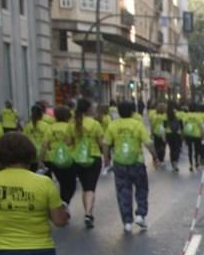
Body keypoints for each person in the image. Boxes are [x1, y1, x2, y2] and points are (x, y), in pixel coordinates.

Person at [102, 101, 158, 233]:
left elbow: (105, 143)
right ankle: (140, 214)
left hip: (120, 162)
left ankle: (127, 221)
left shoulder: (113, 125)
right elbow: (148, 142)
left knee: (123, 191)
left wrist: (106, 159)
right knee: (142, 189)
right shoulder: (137, 125)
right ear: (133, 112)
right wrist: (155, 156)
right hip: (137, 162)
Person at [70, 98, 105, 228]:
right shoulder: (95, 124)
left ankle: (87, 211)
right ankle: (88, 213)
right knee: (90, 188)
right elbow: (101, 142)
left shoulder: (72, 123)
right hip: (93, 157)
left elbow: (68, 141)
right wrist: (106, 155)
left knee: (85, 187)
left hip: (77, 159)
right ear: (89, 109)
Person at [44, 106, 78, 209]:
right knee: (71, 184)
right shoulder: (71, 127)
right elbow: (72, 142)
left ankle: (62, 201)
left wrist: (42, 158)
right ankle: (65, 201)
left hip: (53, 159)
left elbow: (45, 144)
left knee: (62, 181)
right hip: (70, 159)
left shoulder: (50, 128)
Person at [22, 104, 50, 171]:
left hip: (31, 155)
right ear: (41, 114)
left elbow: (24, 141)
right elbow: (45, 144)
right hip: (44, 157)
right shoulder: (46, 126)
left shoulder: (27, 126)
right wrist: (41, 160)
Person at [165, 104, 183, 172]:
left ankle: (173, 163)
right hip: (176, 134)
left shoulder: (166, 116)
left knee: (171, 149)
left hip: (169, 134)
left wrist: (164, 136)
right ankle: (175, 163)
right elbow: (181, 125)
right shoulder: (178, 115)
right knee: (177, 149)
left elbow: (164, 127)